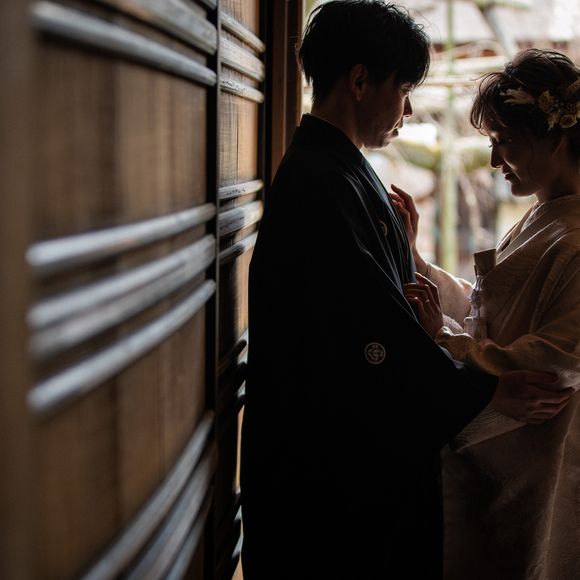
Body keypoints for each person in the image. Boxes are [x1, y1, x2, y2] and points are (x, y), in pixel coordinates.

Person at [240, 4, 572, 579]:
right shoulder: (323, 181)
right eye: (404, 88)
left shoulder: (338, 171)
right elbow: (376, 333)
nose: (410, 108)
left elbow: (397, 313)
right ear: (360, 80)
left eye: (504, 140)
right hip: (328, 466)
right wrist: (482, 387)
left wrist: (449, 339)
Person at [393, 48, 580, 580]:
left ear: (555, 138)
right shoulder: (545, 217)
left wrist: (448, 342)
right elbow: (486, 308)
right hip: (500, 457)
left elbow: (555, 359)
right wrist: (418, 263)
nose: (495, 160)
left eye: (505, 141)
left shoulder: (574, 238)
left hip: (536, 457)